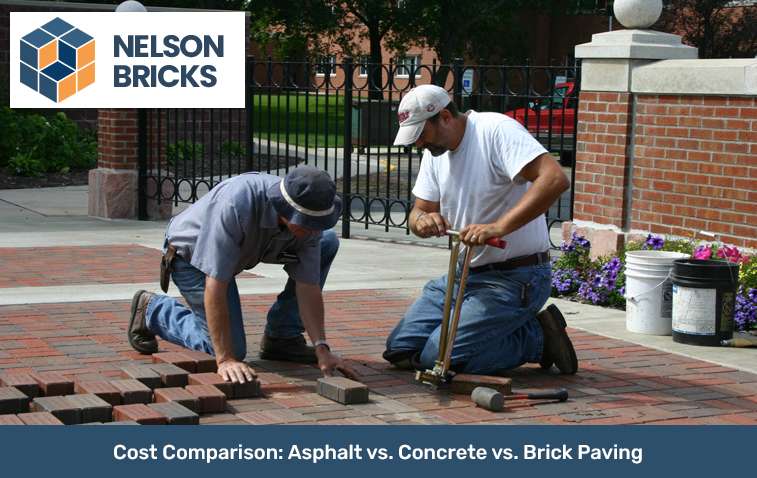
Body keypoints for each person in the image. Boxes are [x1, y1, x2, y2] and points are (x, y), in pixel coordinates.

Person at [383, 84, 578, 376]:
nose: (419, 144)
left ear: (445, 117)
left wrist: (498, 227)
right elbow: (419, 211)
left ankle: (537, 338)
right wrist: (421, 221)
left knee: (439, 358)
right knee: (399, 350)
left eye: (422, 134)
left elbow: (554, 179)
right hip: (465, 274)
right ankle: (471, 335)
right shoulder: (435, 154)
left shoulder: (495, 130)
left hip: (515, 278)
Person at [128, 166, 355, 383]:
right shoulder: (236, 204)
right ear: (284, 208)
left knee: (326, 241)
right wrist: (225, 359)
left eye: (318, 222)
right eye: (306, 223)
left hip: (241, 251)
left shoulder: (309, 218)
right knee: (231, 348)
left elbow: (308, 287)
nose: (313, 230)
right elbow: (216, 283)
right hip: (190, 256)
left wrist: (321, 348)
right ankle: (152, 309)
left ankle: (282, 338)